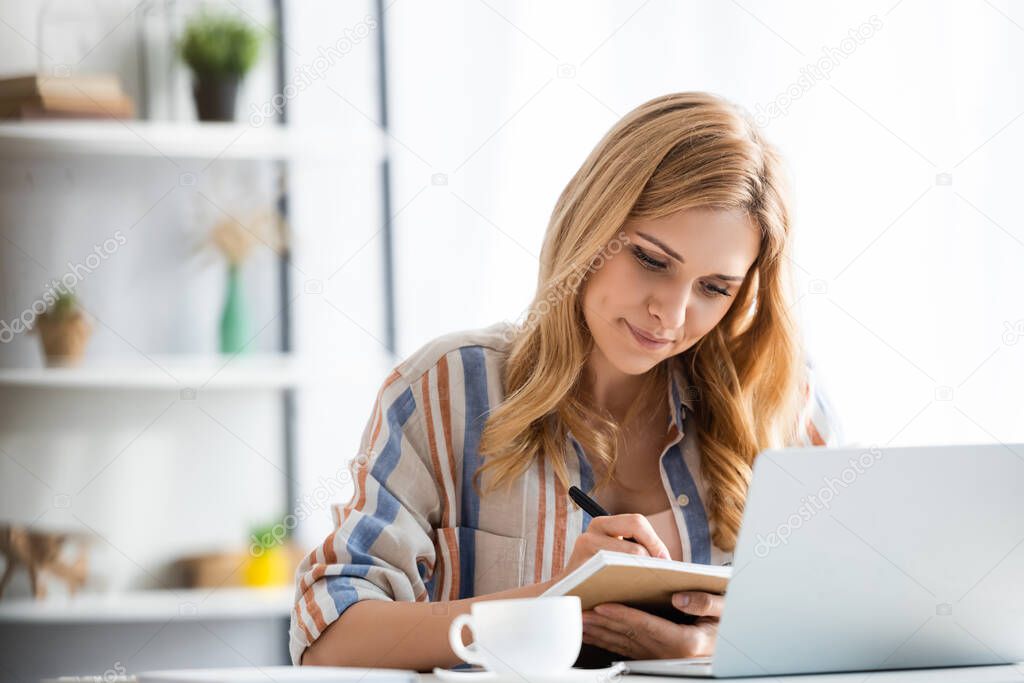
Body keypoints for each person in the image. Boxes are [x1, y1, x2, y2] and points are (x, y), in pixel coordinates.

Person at [291, 91, 843, 672]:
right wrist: (556, 601)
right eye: (652, 260)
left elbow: (849, 625)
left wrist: (717, 647)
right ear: (590, 226)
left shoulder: (783, 405)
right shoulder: (447, 389)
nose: (672, 314)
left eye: (714, 288)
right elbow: (330, 633)